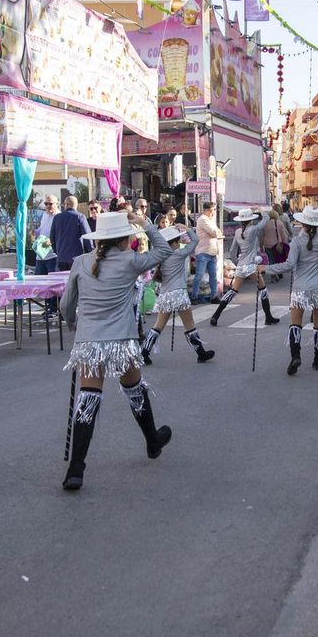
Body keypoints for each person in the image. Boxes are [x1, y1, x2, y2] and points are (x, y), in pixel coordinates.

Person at [57, 209, 176, 491]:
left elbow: (65, 305)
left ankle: (76, 468)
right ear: (125, 240)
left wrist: (73, 322)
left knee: (87, 399)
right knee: (135, 389)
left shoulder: (81, 262)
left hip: (89, 342)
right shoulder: (131, 260)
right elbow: (162, 249)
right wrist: (145, 223)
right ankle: (151, 440)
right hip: (121, 341)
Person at [265, 205, 318, 374]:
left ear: (302, 223)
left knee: (295, 324)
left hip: (300, 287)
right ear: (317, 224)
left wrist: (265, 269)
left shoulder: (297, 242)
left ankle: (295, 356)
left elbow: (288, 265)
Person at [139, 225, 215, 366]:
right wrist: (186, 228)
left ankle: (145, 353)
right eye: (177, 241)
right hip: (179, 293)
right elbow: (195, 240)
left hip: (165, 294)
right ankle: (201, 353)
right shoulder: (179, 254)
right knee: (190, 325)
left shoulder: (160, 256)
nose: (179, 243)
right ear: (173, 243)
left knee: (158, 326)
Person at [210, 208, 280, 326]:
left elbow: (232, 251)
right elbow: (266, 219)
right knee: (263, 290)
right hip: (251, 265)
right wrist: (261, 210)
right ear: (250, 220)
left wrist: (237, 263)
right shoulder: (252, 230)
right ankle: (268, 317)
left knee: (232, 291)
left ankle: (215, 316)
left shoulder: (238, 232)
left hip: (241, 265)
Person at [193, 201, 221, 304]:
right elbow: (214, 232)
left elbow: (218, 232)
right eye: (213, 210)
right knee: (199, 275)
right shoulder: (202, 220)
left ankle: (214, 296)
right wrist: (217, 233)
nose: (214, 212)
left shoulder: (211, 220)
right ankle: (194, 296)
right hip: (203, 252)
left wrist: (217, 233)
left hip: (212, 252)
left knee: (213, 277)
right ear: (209, 210)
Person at [32, 195, 59, 275]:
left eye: (50, 204)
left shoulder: (59, 217)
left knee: (52, 283)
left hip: (52, 256)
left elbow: (60, 234)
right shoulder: (45, 215)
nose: (47, 206)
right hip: (40, 254)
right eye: (46, 204)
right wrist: (36, 232)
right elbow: (42, 228)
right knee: (38, 282)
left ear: (56, 204)